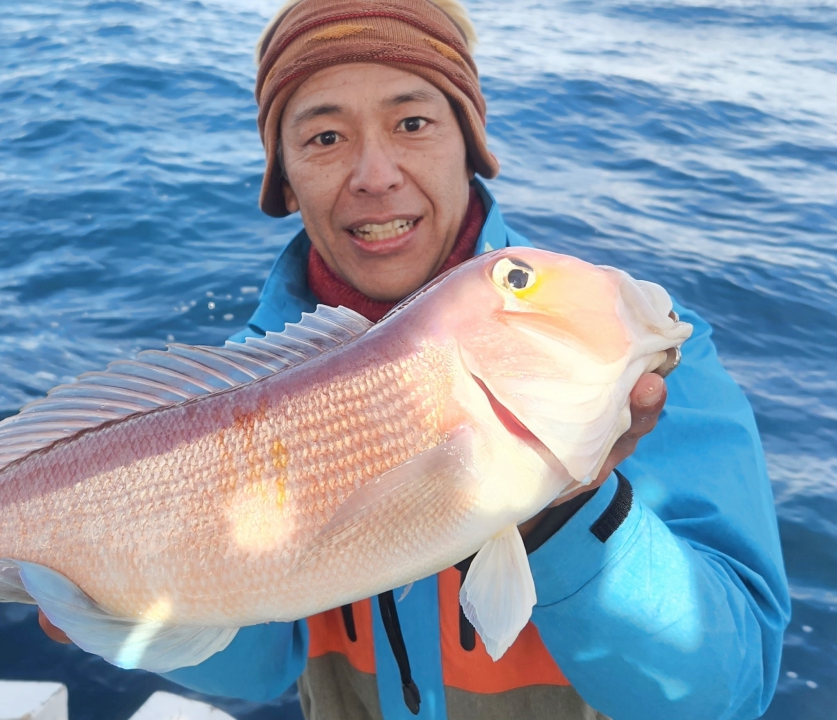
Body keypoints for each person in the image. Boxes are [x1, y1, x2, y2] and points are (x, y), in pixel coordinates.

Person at [40, 1, 790, 718]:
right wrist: (109, 612)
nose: (374, 173)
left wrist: (569, 516)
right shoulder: (233, 397)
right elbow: (262, 663)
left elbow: (727, 693)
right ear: (285, 181)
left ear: (471, 146)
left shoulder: (629, 359)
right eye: (324, 138)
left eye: (413, 122)